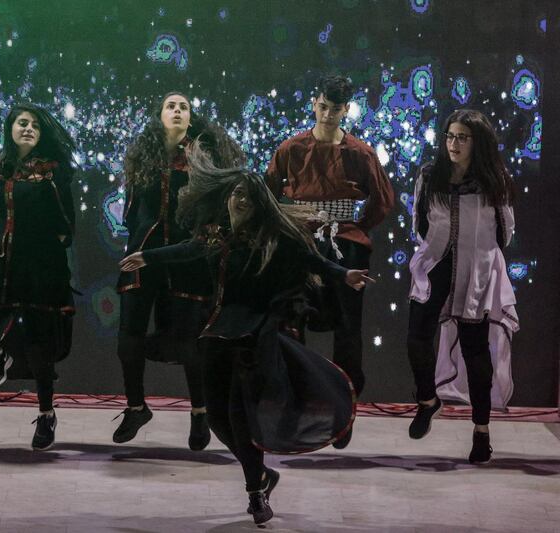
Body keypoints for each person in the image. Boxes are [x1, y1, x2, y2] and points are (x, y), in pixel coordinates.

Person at [120, 143, 369, 524]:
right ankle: (264, 475)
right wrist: (147, 256)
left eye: (248, 197)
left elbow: (312, 260)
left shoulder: (275, 240)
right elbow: (187, 249)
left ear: (259, 204)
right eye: (236, 194)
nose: (239, 201)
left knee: (238, 418)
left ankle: (255, 494)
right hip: (218, 335)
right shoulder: (217, 238)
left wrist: (344, 274)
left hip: (254, 339)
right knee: (218, 418)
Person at [266, 75, 394, 448]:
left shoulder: (359, 153)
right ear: (314, 104)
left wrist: (351, 226)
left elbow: (382, 200)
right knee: (291, 323)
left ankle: (344, 410)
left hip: (343, 245)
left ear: (345, 110)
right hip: (299, 245)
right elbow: (269, 193)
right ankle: (296, 405)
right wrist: (290, 226)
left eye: (336, 109)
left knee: (348, 330)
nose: (328, 114)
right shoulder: (291, 149)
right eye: (323, 106)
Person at [113, 91, 245, 449]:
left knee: (190, 342)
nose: (177, 110)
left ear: (191, 117)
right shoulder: (144, 157)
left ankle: (200, 412)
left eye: (183, 106)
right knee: (129, 337)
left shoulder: (205, 157)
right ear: (159, 115)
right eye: (170, 106)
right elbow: (133, 207)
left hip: (188, 258)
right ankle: (136, 407)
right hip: (143, 252)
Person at [0, 103, 76, 451]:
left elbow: (67, 222)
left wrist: (56, 243)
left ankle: (45, 413)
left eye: (35, 125)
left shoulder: (51, 171)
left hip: (38, 254)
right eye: (22, 123)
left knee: (39, 339)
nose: (28, 128)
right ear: (10, 128)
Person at [406, 109, 518, 465]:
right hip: (436, 263)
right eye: (450, 136)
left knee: (475, 349)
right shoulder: (430, 175)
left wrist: (479, 256)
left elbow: (505, 230)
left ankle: (481, 432)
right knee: (416, 336)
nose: (453, 144)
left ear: (477, 143)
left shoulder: (492, 180)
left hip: (476, 271)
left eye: (462, 138)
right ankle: (428, 400)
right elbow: (420, 221)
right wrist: (441, 246)